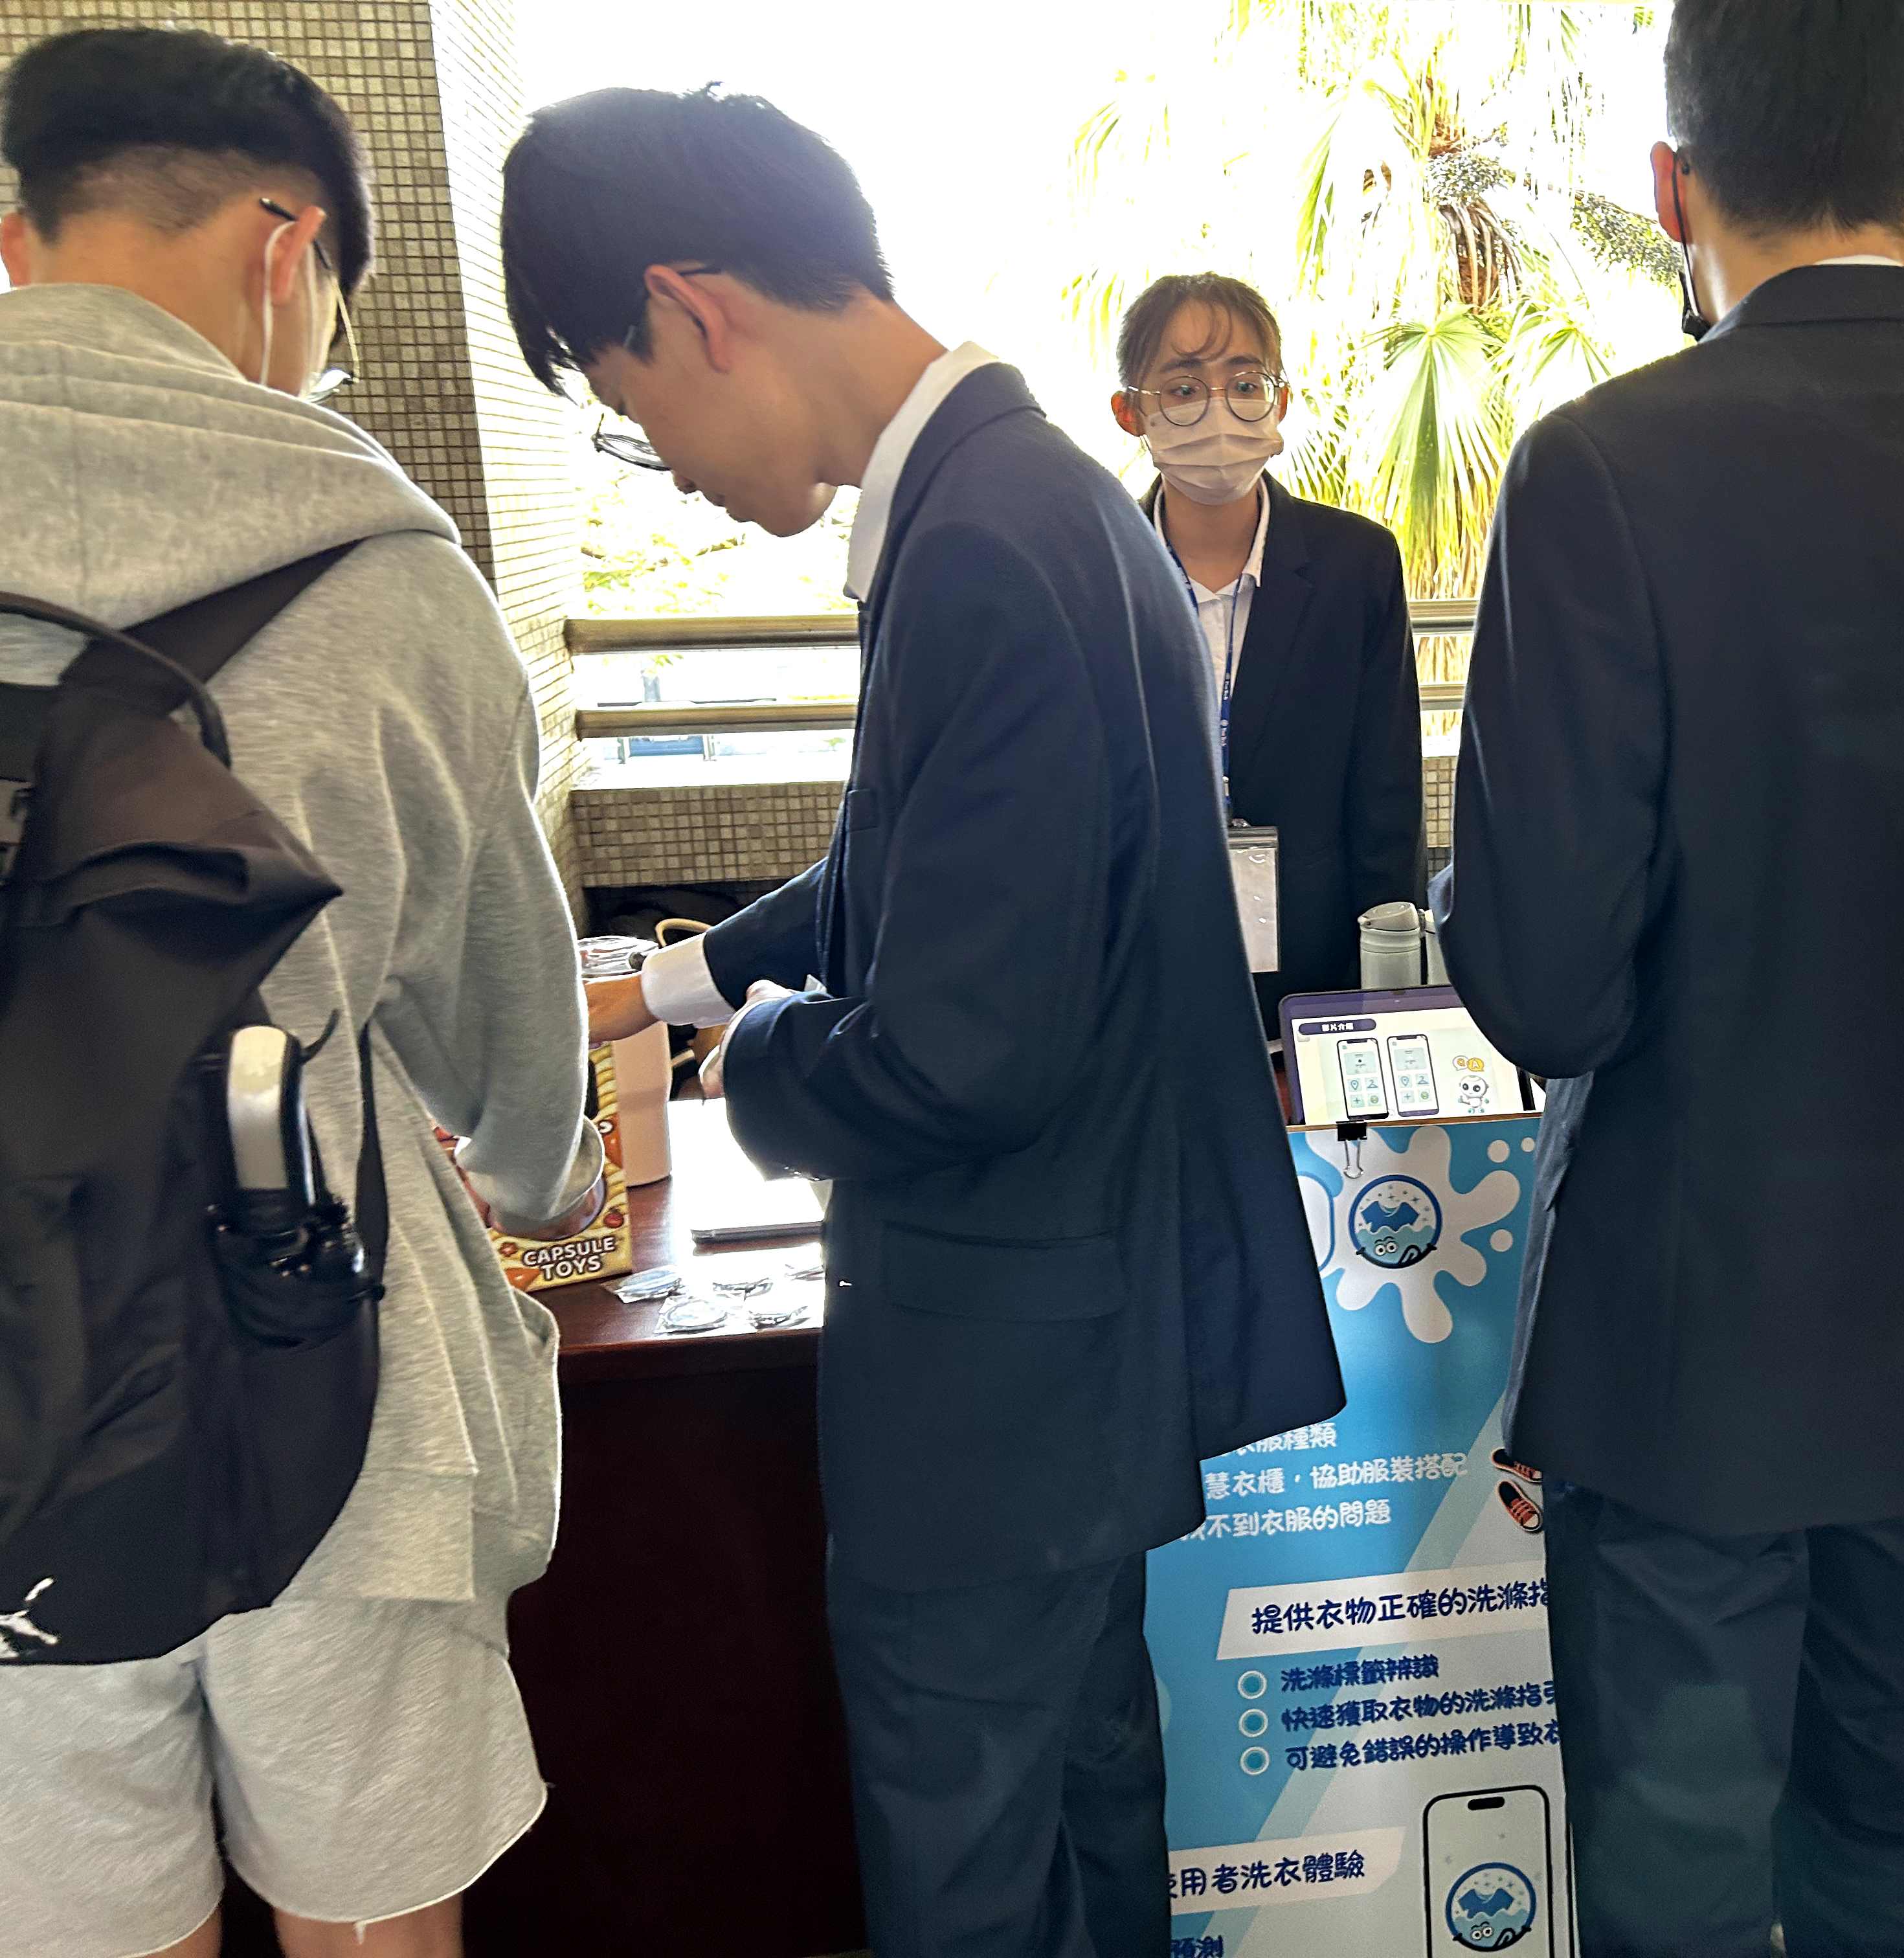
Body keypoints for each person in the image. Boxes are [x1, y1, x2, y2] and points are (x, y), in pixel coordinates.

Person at [507, 85, 1345, 1958]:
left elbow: (966, 1051)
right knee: (1089, 1819)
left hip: (988, 1392)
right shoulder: (1037, 496)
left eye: (635, 410)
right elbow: (914, 863)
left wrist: (759, 1060)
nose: (671, 464)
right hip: (1072, 1356)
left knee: (969, 1876)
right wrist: (668, 982)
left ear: (695, 310)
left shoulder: (979, 544)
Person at [1430, 3, 1904, 1952]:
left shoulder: (1599, 470)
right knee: (1882, 1828)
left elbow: (1543, 989)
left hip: (1683, 1339)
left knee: (1679, 1873)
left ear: (1671, 185)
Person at [0, 27, 601, 1958]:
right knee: (370, 1919)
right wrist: (549, 1179)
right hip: (324, 1379)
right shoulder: (382, 567)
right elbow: (504, 1035)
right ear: (290, 249)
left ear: (19, 241)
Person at [1109, 273, 1425, 1030]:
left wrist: (1383, 999)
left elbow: (1386, 794)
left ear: (1280, 401)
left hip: (1316, 973)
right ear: (1131, 412)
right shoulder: (1089, 568)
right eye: (1183, 388)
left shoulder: (1356, 564)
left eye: (1245, 383)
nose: (1217, 409)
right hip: (1136, 970)